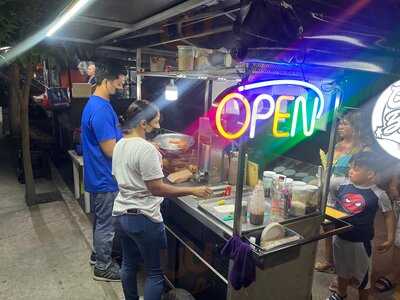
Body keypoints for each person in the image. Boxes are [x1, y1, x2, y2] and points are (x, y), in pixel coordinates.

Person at [112, 100, 212, 300]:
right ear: (142, 123)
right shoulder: (146, 149)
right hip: (144, 219)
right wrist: (192, 191)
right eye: (155, 122)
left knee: (128, 265)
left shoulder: (120, 144)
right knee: (155, 274)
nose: (157, 127)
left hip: (122, 215)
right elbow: (156, 188)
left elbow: (122, 176)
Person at [326, 151, 395, 300]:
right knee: (341, 270)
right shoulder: (341, 186)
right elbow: (332, 205)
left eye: (355, 168)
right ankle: (341, 294)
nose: (350, 171)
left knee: (362, 277)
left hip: (361, 243)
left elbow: (389, 215)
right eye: (350, 167)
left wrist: (390, 238)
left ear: (370, 174)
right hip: (339, 237)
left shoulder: (379, 194)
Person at [81, 65, 126, 281]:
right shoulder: (99, 110)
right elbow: (110, 150)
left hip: (100, 175)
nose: (122, 86)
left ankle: (97, 255)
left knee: (102, 221)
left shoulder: (100, 104)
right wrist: (135, 150)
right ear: (106, 80)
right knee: (107, 225)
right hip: (105, 177)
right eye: (120, 81)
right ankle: (103, 267)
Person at [316, 112, 364, 273]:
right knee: (327, 227)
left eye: (345, 124)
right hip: (329, 193)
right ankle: (329, 260)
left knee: (345, 231)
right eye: (340, 123)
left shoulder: (361, 149)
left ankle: (347, 268)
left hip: (348, 196)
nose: (340, 127)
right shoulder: (336, 145)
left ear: (355, 128)